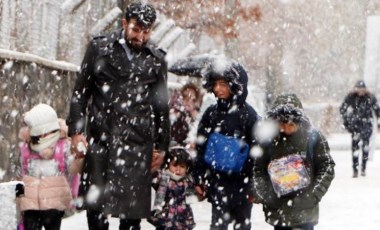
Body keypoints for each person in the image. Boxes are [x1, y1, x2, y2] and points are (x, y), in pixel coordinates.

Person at [66, 2, 170, 229]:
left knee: (131, 218)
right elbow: (80, 93)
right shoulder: (99, 49)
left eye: (146, 31)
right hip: (101, 140)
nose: (140, 36)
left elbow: (161, 108)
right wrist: (75, 132)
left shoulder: (156, 59)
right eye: (135, 29)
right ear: (124, 23)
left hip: (137, 145)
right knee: (96, 212)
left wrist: (162, 147)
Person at [192, 58, 259, 230]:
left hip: (242, 185)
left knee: (242, 225)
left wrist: (253, 184)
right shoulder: (211, 114)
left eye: (223, 84)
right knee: (218, 225)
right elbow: (201, 148)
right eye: (215, 84)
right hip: (218, 182)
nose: (217, 89)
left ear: (235, 84)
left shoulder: (248, 115)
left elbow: (257, 152)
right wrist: (199, 177)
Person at [252, 93, 335, 230]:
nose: (285, 128)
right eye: (281, 124)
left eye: (290, 124)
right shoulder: (268, 140)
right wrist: (266, 196)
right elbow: (258, 169)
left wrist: (312, 195)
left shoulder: (313, 138)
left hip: (305, 213)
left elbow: (327, 167)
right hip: (278, 213)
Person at [16, 104, 78, 230]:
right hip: (31, 204)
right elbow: (20, 175)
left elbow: (73, 172)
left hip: (54, 204)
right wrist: (19, 200)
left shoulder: (63, 147)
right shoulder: (26, 149)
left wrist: (73, 195)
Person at [339, 80, 380, 177]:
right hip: (355, 125)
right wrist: (347, 119)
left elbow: (377, 111)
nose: (360, 91)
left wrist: (378, 124)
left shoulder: (370, 98)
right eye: (359, 89)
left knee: (365, 146)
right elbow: (343, 108)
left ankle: (363, 168)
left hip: (366, 124)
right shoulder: (351, 97)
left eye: (362, 89)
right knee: (355, 147)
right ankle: (355, 169)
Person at [149, 146, 196, 230]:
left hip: (183, 218)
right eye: (175, 165)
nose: (178, 169)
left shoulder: (188, 180)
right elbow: (151, 175)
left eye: (182, 166)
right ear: (168, 165)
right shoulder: (162, 177)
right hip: (164, 217)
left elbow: (194, 194)